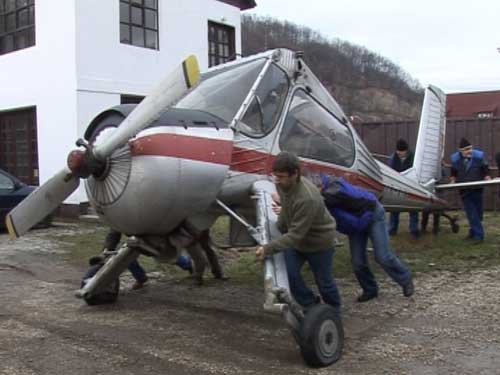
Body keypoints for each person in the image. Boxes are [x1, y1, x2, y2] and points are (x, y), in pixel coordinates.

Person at [255, 152, 341, 315]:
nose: (277, 180)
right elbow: (287, 208)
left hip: (319, 242)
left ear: (295, 174)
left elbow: (295, 235)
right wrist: (280, 224)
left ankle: (334, 313)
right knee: (289, 275)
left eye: (281, 176)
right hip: (298, 241)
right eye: (275, 176)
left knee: (325, 283)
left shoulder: (307, 198)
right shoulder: (283, 185)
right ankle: (311, 305)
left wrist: (268, 248)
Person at [321, 175, 414, 302]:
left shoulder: (335, 193)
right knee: (357, 262)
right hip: (355, 224)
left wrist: (363, 222)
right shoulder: (318, 204)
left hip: (372, 214)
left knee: (382, 256)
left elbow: (369, 203)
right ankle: (370, 289)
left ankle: (405, 278)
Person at [95, 229, 193, 290]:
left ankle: (189, 265)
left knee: (164, 255)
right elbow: (113, 233)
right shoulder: (118, 216)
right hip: (133, 241)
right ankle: (141, 278)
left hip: (149, 238)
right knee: (126, 258)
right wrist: (107, 249)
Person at [450, 138, 491, 243]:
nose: (469, 151)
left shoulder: (478, 157)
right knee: (472, 213)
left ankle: (473, 232)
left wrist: (487, 176)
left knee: (478, 213)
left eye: (470, 148)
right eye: (466, 149)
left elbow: (485, 168)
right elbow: (453, 172)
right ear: (461, 151)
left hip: (477, 189)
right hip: (465, 191)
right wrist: (453, 180)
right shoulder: (456, 160)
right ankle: (479, 236)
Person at [388, 138, 420, 239]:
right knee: (394, 209)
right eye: (398, 151)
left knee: (413, 209)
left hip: (411, 186)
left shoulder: (414, 158)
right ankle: (392, 229)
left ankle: (414, 230)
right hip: (397, 186)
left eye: (402, 151)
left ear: (406, 150)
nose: (400, 153)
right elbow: (391, 172)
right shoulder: (393, 158)